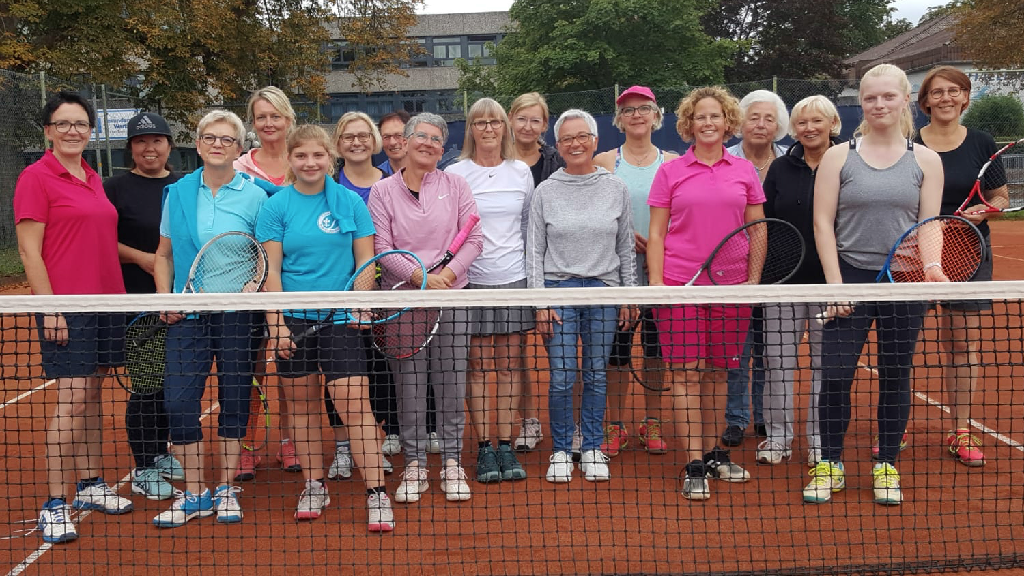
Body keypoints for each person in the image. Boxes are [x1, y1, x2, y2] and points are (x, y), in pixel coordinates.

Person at [805, 63, 945, 506]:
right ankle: (829, 462)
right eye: (870, 97)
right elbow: (823, 223)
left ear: (906, 98)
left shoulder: (925, 160)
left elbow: (928, 223)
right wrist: (836, 286)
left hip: (903, 285)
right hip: (849, 278)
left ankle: (886, 463)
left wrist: (934, 265)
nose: (879, 104)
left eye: (888, 96)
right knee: (835, 375)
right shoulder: (837, 156)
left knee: (895, 375)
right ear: (860, 103)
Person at [257, 124, 394, 530]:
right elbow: (273, 272)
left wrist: (357, 306)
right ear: (291, 160)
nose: (310, 163)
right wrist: (277, 325)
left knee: (356, 407)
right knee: (300, 407)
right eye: (301, 156)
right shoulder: (275, 207)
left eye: (317, 155)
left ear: (329, 157)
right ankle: (314, 484)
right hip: (294, 320)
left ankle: (377, 492)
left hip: (340, 322)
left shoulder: (350, 202)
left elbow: (366, 264)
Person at [15, 91, 134, 543]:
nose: (72, 131)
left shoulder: (91, 176)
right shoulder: (35, 178)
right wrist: (52, 309)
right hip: (68, 308)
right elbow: (30, 250)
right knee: (73, 400)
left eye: (80, 123)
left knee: (93, 394)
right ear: (48, 131)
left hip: (109, 304)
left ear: (91, 130)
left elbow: (96, 239)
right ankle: (54, 503)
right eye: (63, 124)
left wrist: (141, 258)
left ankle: (90, 484)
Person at [152, 109, 267, 527]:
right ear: (198, 144)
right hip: (187, 313)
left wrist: (253, 288)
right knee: (180, 400)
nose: (217, 144)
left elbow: (265, 256)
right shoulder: (178, 193)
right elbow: (163, 256)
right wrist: (164, 298)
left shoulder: (257, 196)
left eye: (227, 139)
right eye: (209, 137)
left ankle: (225, 488)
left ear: (239, 149)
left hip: (238, 315)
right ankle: (196, 493)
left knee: (235, 399)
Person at [647, 86, 762, 500]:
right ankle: (694, 462)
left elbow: (757, 228)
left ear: (728, 123)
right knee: (685, 373)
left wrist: (753, 281)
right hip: (680, 285)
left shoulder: (744, 170)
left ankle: (714, 454)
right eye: (700, 117)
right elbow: (656, 232)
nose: (708, 123)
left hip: (732, 288)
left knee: (718, 373)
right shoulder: (671, 171)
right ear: (688, 124)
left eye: (715, 116)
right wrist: (658, 286)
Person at [368, 112, 483, 504]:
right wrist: (421, 279)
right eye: (422, 136)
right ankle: (415, 463)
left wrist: (447, 274)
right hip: (403, 300)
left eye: (437, 139)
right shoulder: (383, 191)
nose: (429, 144)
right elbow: (382, 248)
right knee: (410, 386)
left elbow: (474, 239)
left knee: (451, 383)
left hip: (450, 297)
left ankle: (452, 462)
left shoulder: (456, 184)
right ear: (407, 140)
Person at [527, 108, 638, 484]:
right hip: (559, 291)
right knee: (561, 375)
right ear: (558, 146)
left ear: (595, 141)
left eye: (582, 137)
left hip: (604, 292)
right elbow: (534, 252)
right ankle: (561, 449)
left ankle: (591, 446)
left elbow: (625, 248)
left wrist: (628, 295)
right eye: (567, 139)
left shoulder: (615, 187)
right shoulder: (545, 191)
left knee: (595, 374)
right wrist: (540, 302)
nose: (575, 144)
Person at [916, 65, 1007, 467]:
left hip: (969, 255)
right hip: (913, 257)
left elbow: (1001, 197)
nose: (946, 98)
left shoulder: (982, 143)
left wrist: (986, 211)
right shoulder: (907, 143)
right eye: (938, 92)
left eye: (955, 91)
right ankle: (894, 426)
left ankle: (961, 429)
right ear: (925, 101)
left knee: (962, 346)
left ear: (966, 97)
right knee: (899, 346)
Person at [445, 98, 534, 483]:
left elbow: (531, 228)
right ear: (471, 129)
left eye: (494, 122)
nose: (488, 129)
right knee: (478, 368)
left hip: (513, 280)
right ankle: (484, 449)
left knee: (511, 365)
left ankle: (506, 446)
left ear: (505, 127)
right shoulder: (456, 173)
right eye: (480, 122)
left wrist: (532, 286)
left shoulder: (521, 172)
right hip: (473, 281)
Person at [104, 112, 186, 500]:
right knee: (148, 385)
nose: (149, 148)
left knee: (175, 383)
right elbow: (102, 242)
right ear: (130, 149)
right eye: (140, 142)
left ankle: (161, 448)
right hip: (139, 305)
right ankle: (143, 464)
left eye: (156, 140)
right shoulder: (114, 188)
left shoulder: (184, 186)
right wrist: (145, 258)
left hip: (183, 303)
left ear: (169, 146)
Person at [593, 85, 678, 457]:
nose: (637, 115)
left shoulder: (673, 162)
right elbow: (594, 214)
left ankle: (653, 420)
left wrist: (659, 241)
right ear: (619, 119)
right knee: (617, 353)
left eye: (644, 108)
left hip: (661, 270)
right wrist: (626, 235)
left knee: (656, 351)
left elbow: (682, 213)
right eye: (629, 110)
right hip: (618, 274)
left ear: (656, 115)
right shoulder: (604, 162)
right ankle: (615, 423)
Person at [755, 95, 840, 466]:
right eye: (802, 122)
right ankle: (778, 438)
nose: (809, 128)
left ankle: (820, 442)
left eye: (816, 121)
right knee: (777, 362)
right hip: (782, 282)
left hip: (830, 281)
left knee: (826, 365)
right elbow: (766, 224)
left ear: (832, 124)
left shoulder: (845, 162)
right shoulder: (780, 168)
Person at [324, 112, 395, 480]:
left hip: (386, 294)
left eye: (363, 135)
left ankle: (373, 443)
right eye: (348, 136)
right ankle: (341, 448)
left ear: (374, 141)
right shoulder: (327, 186)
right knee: (340, 376)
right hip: (338, 297)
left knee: (379, 372)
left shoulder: (391, 183)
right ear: (338, 144)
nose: (356, 142)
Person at [233, 86, 298, 480]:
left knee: (292, 365)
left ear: (288, 119)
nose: (269, 123)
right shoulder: (241, 167)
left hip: (298, 279)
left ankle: (290, 442)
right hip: (251, 281)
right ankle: (248, 445)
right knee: (251, 366)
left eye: (276, 115)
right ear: (253, 123)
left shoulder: (305, 159)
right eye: (261, 117)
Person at [721, 89, 790, 447]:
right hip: (733, 270)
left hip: (778, 270)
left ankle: (764, 416)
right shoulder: (724, 160)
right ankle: (736, 417)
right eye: (754, 117)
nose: (761, 125)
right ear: (741, 122)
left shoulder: (789, 162)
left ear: (778, 126)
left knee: (770, 349)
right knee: (738, 350)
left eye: (769, 119)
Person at [508, 91, 565, 452]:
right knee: (516, 352)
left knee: (559, 352)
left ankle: (568, 423)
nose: (528, 126)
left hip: (551, 267)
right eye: (522, 118)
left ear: (545, 125)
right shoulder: (493, 161)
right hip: (509, 267)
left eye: (536, 120)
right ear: (511, 120)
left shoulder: (557, 162)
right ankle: (529, 422)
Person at [377, 110, 412, 176]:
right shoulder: (376, 177)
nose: (392, 142)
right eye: (386, 137)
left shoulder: (428, 173)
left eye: (398, 135)